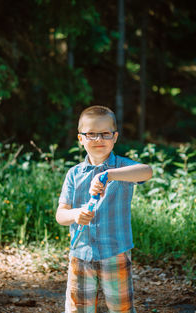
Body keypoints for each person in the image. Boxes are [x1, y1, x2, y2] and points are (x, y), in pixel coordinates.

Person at [56, 105, 152, 313]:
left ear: (115, 137)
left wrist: (110, 175)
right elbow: (61, 215)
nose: (98, 139)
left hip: (115, 252)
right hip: (80, 253)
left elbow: (146, 172)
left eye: (105, 134)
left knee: (121, 308)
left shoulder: (122, 168)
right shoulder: (74, 174)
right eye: (91, 134)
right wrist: (75, 214)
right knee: (78, 309)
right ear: (81, 139)